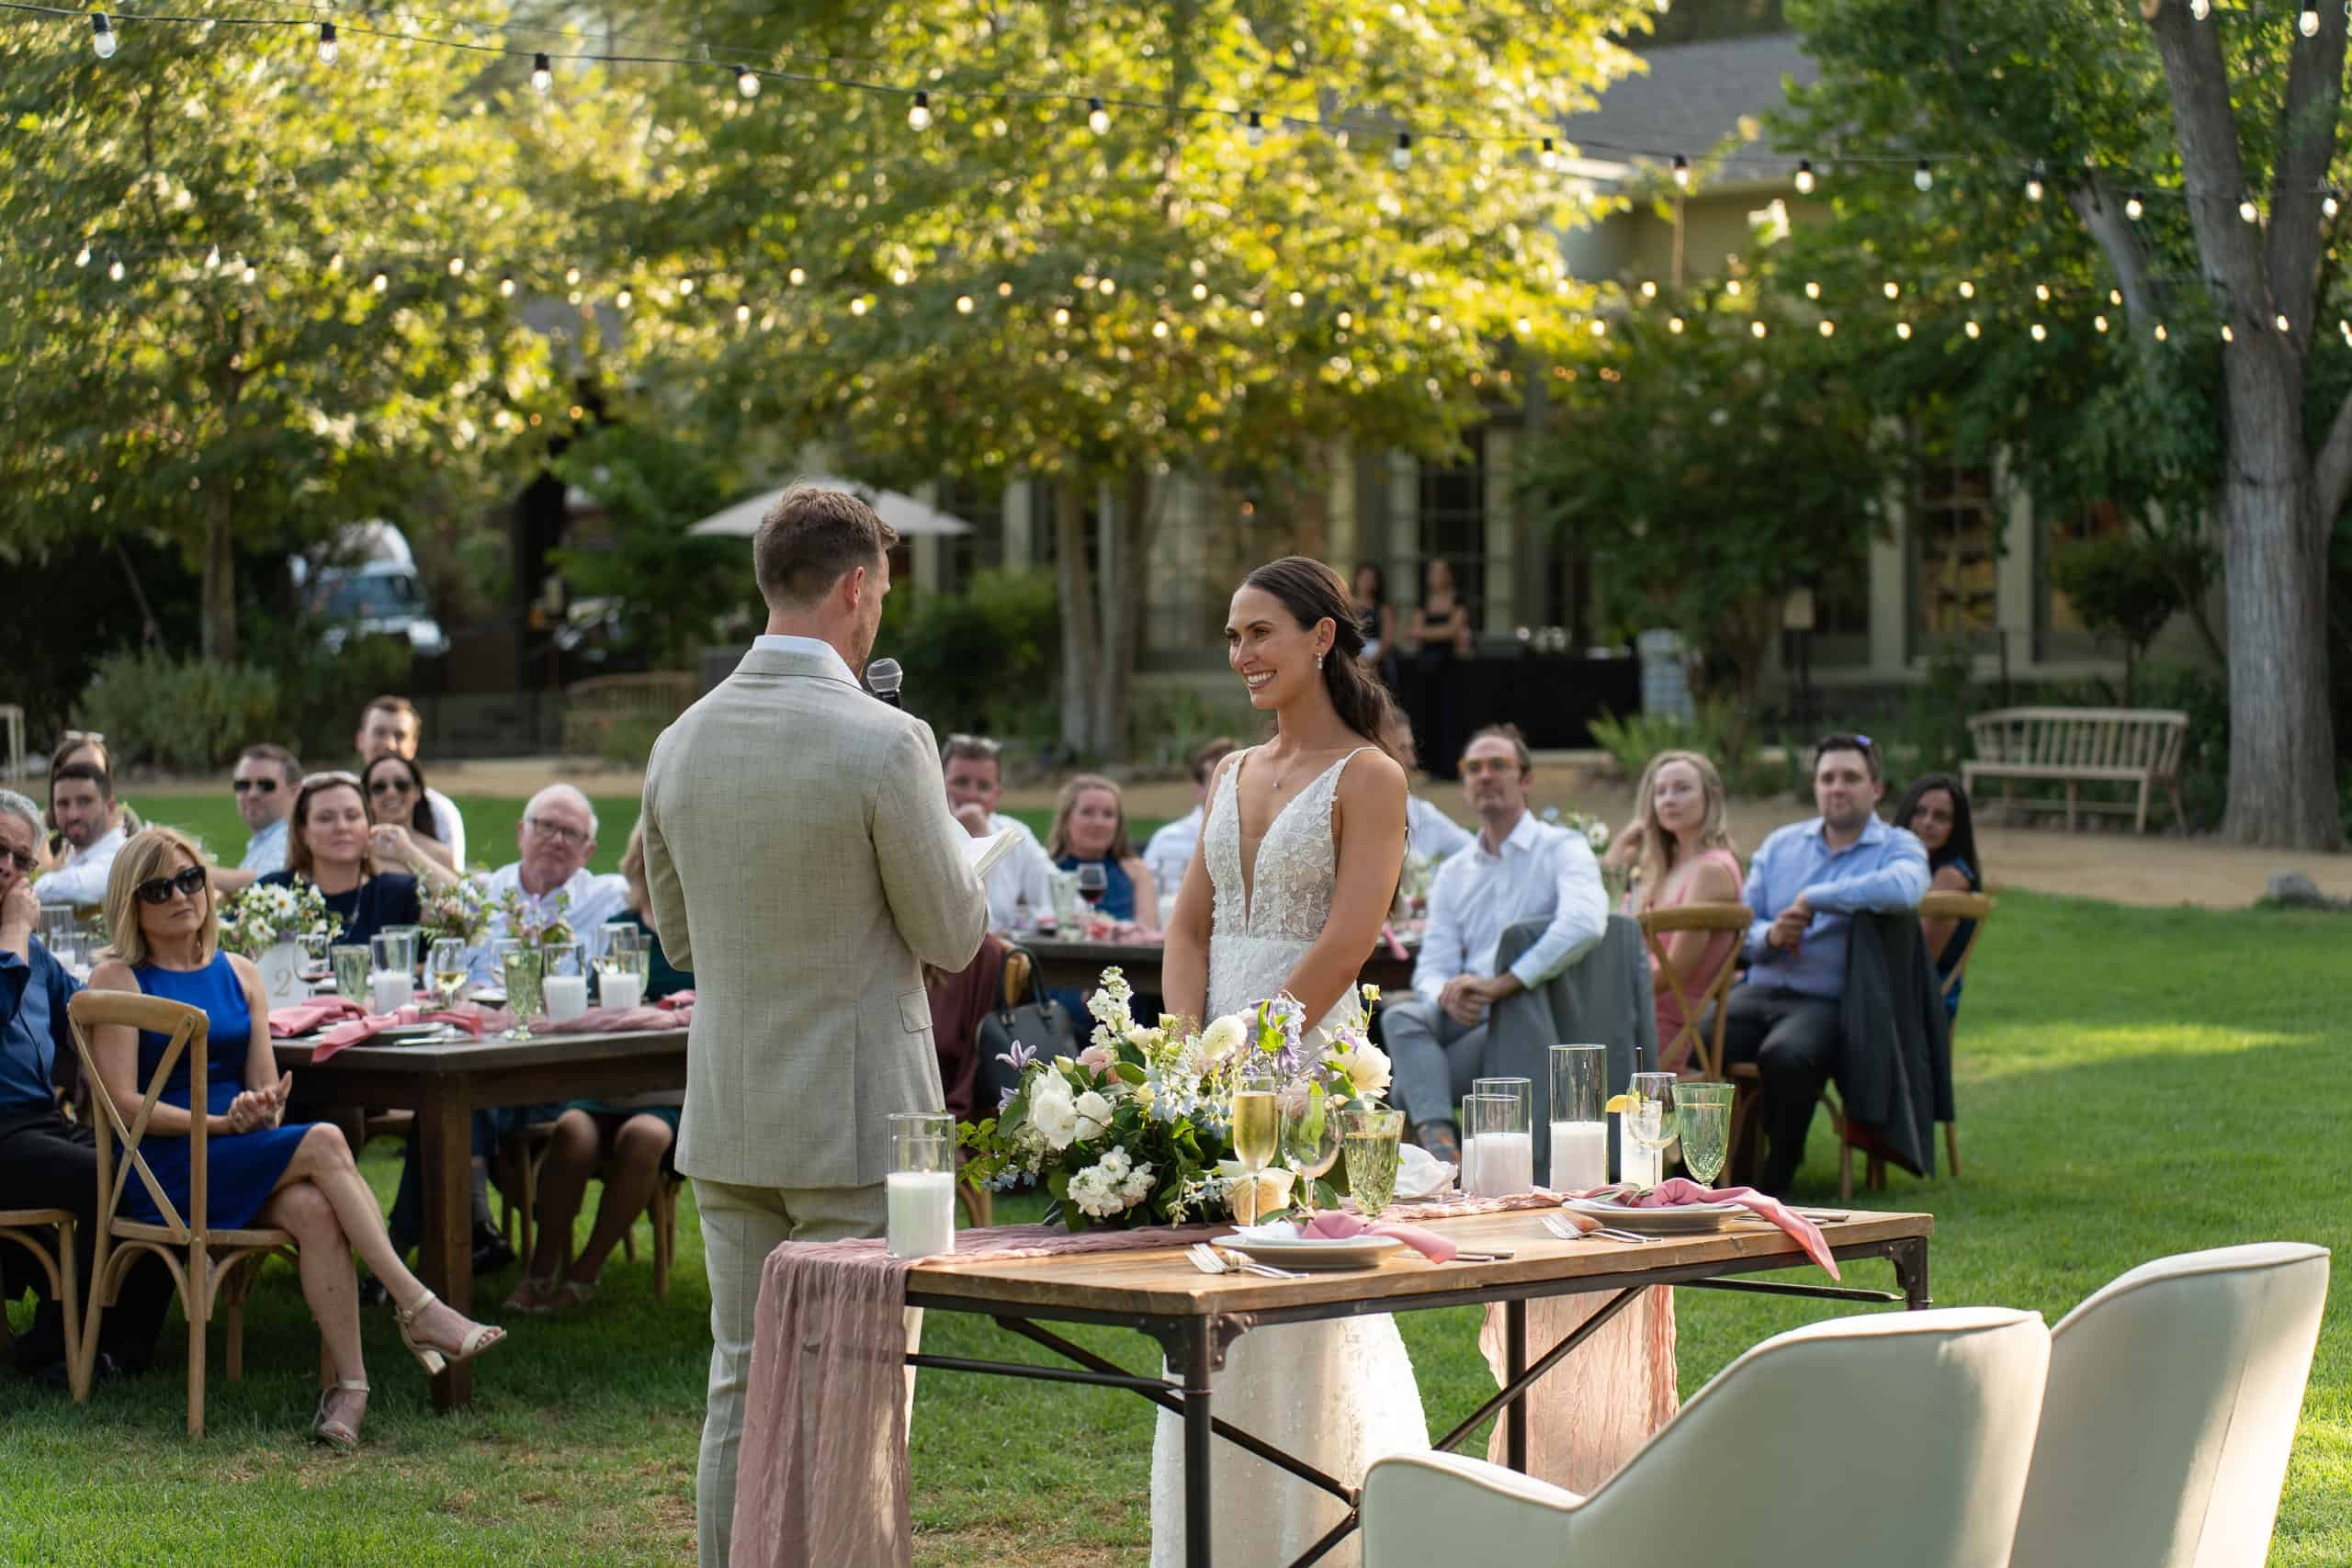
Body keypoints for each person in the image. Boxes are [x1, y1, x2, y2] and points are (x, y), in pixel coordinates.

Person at [639, 484, 986, 1568]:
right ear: (853, 587)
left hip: (734, 1109)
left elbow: (681, 939)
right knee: (857, 1398)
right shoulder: (887, 741)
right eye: (879, 591)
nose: (878, 612)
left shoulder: (679, 743)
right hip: (857, 1120)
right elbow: (951, 934)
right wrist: (966, 851)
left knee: (739, 1382)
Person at [1156, 555, 1418, 1568]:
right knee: (1216, 1300)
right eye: (1230, 636)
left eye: (1258, 631)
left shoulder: (1371, 777)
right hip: (1215, 1071)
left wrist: (1250, 1058)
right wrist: (1183, 1053)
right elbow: (1185, 931)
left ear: (1320, 638)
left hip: (1311, 1072)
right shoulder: (1229, 772)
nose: (1241, 655)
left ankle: (1327, 1536)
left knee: (1309, 1306)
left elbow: (1349, 943)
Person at [83, 828, 504, 1447]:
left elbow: (262, 1088)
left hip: (233, 1150)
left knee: (314, 1207)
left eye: (192, 877)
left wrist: (261, 1106)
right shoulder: (117, 978)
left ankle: (350, 1390)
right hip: (161, 1167)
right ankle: (415, 1306)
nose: (181, 895)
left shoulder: (243, 973)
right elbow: (121, 1100)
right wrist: (222, 1122)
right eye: (159, 887)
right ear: (132, 902)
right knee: (329, 1138)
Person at [0, 788, 174, 1385]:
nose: (8, 868)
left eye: (21, 860)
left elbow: (88, 1012)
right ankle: (65, 1343)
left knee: (158, 1171)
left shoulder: (30, 949)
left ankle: (109, 1346)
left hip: (39, 1123)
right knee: (107, 1177)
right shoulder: (16, 940)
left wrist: (159, 997)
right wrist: (15, 936)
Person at [1383, 725, 1609, 1163]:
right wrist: (1447, 995)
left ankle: (1435, 1150)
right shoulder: (1456, 871)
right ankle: (1444, 1152)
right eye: (1474, 768)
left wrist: (1503, 984)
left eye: (1499, 766)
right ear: (1465, 784)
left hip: (1528, 1015)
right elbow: (1432, 966)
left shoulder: (1563, 848)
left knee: (1403, 1086)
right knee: (1401, 1017)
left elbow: (1584, 922)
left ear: (1526, 780)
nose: (1485, 776)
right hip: (1467, 1012)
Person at [1720, 734, 1929, 1197]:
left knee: (1787, 1054)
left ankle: (1780, 1168)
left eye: (1851, 777)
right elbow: (1741, 925)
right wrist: (1771, 935)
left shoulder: (1899, 847)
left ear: (1876, 788)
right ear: (1815, 787)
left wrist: (1817, 898)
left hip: (1829, 1003)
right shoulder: (1781, 844)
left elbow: (1905, 889)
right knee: (1693, 1038)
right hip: (1759, 988)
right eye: (1827, 778)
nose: (1838, 787)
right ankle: (1708, 1169)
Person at [504, 820, 691, 1314]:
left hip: (673, 1089)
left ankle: (585, 1271)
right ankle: (541, 1269)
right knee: (572, 1131)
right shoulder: (621, 928)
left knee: (644, 1137)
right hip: (607, 1085)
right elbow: (593, 1007)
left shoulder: (708, 931)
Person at [1612, 750, 1744, 1066]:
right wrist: (1620, 848)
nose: (1669, 800)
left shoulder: (1710, 870)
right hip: (1633, 1013)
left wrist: (1605, 995)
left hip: (1665, 1026)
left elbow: (1674, 972)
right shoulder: (1660, 868)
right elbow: (1611, 926)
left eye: (1682, 789)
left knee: (1557, 1050)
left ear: (1711, 795)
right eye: (1660, 792)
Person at [467, 785, 631, 980]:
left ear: (588, 851)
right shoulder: (481, 895)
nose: (557, 840)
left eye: (570, 832)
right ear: (521, 832)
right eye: (546, 826)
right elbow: (440, 975)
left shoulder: (610, 898)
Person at [256, 773, 422, 953]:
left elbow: (454, 915)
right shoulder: (273, 891)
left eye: (352, 816)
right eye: (325, 818)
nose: (342, 827)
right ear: (303, 832)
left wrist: (409, 853)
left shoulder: (399, 893)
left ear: (369, 824)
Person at [941, 733, 1056, 932]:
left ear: (996, 795)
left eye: (984, 786)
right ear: (938, 784)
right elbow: (961, 926)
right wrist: (977, 836)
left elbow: (1057, 896)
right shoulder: (921, 837)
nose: (972, 794)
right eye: (960, 782)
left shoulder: (1013, 833)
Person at [1895, 772, 1984, 1019]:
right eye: (1920, 812)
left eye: (1941, 817)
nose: (1927, 822)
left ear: (1956, 828)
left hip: (1920, 1005)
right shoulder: (1908, 865)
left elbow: (1915, 961)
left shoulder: (1950, 878)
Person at [355, 696, 468, 871]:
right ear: (361, 740)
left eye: (399, 736)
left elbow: (455, 885)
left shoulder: (440, 810)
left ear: (414, 746)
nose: (389, 744)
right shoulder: (340, 799)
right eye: (379, 733)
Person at [1046, 774, 1157, 930]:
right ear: (1066, 820)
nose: (1099, 823)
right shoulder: (1046, 869)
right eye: (1087, 813)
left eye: (1108, 814)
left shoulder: (1136, 872)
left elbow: (1148, 933)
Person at [1141, 737, 1238, 901]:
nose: (1232, 787)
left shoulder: (1263, 839)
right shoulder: (1166, 839)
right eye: (1219, 779)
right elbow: (1149, 901)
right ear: (1198, 790)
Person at [1407, 558, 1475, 777]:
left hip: (1449, 665)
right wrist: (1439, 631)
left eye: (1441, 571)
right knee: (1429, 713)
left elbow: (1454, 630)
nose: (1437, 576)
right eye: (1433, 571)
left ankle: (1452, 765)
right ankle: (1432, 766)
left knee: (1450, 714)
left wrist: (1429, 632)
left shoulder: (1459, 599)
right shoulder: (1424, 601)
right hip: (1426, 666)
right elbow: (1415, 631)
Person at [34, 762, 128, 909]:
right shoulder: (76, 857)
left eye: (84, 802)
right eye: (63, 804)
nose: (73, 815)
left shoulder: (121, 857)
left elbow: (81, 886)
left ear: (109, 806)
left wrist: (30, 889)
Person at [211, 744, 301, 895]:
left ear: (295, 791)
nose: (252, 794)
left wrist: (200, 873)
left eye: (266, 785)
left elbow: (274, 879)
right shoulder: (264, 839)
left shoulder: (294, 837)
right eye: (243, 785)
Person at [40, 735, 141, 866]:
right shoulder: (39, 827)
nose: (74, 815)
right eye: (75, 771)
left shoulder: (126, 821)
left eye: (95, 771)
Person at [360, 753, 458, 878]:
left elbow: (455, 893)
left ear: (417, 792)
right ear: (368, 798)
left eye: (401, 785)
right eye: (379, 787)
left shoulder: (440, 855)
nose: (391, 792)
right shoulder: (357, 852)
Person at [1392, 728, 1476, 863]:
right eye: (1401, 749)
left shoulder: (1421, 813)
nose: (1412, 761)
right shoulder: (1351, 813)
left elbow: (1475, 854)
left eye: (1411, 748)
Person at [1351, 562, 1396, 679]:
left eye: (1371, 578)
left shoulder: (1383, 608)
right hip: (1352, 658)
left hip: (1378, 661)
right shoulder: (1347, 605)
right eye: (1363, 577)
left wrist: (1369, 662)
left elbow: (1388, 640)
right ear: (1356, 579)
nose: (1367, 582)